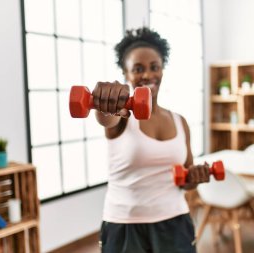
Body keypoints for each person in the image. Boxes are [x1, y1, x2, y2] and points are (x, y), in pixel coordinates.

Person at [94, 27, 210, 253]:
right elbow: (106, 118)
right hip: (125, 225)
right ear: (125, 74)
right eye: (138, 69)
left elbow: (185, 179)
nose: (147, 75)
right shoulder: (122, 115)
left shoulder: (179, 121)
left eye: (154, 67)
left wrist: (195, 177)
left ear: (162, 70)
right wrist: (104, 104)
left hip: (175, 221)